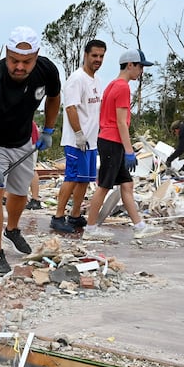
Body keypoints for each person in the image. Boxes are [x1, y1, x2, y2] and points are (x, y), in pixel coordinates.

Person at [0, 26, 60, 276]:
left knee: (20, 193)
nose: (19, 67)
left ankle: (13, 229)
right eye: (14, 60)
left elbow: (54, 97)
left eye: (26, 62)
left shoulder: (47, 70)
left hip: (23, 141)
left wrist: (48, 129)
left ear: (36, 57)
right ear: (6, 52)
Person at [82, 49, 162, 240]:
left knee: (127, 185)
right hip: (112, 141)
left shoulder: (112, 85)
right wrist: (128, 150)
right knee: (104, 186)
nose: (141, 71)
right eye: (140, 66)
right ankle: (90, 228)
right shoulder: (123, 88)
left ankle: (139, 226)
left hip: (109, 140)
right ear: (130, 65)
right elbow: (120, 121)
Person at [50, 39, 107, 233]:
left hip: (91, 142)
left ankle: (75, 215)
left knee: (84, 179)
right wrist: (79, 134)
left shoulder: (97, 80)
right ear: (86, 55)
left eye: (101, 56)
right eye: (94, 56)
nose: (97, 60)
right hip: (76, 141)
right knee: (72, 177)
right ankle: (58, 216)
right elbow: (70, 107)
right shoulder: (76, 79)